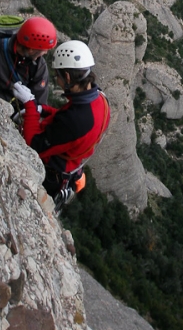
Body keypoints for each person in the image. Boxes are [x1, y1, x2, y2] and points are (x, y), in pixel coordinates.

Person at [12, 40, 110, 208]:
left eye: (57, 75)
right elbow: (69, 119)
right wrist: (43, 110)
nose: (56, 79)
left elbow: (34, 143)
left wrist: (29, 104)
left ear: (67, 77)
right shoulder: (99, 98)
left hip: (51, 175)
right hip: (70, 166)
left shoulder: (77, 120)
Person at [0, 16, 57, 107]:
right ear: (31, 50)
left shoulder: (39, 67)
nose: (46, 52)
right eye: (44, 50)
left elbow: (40, 106)